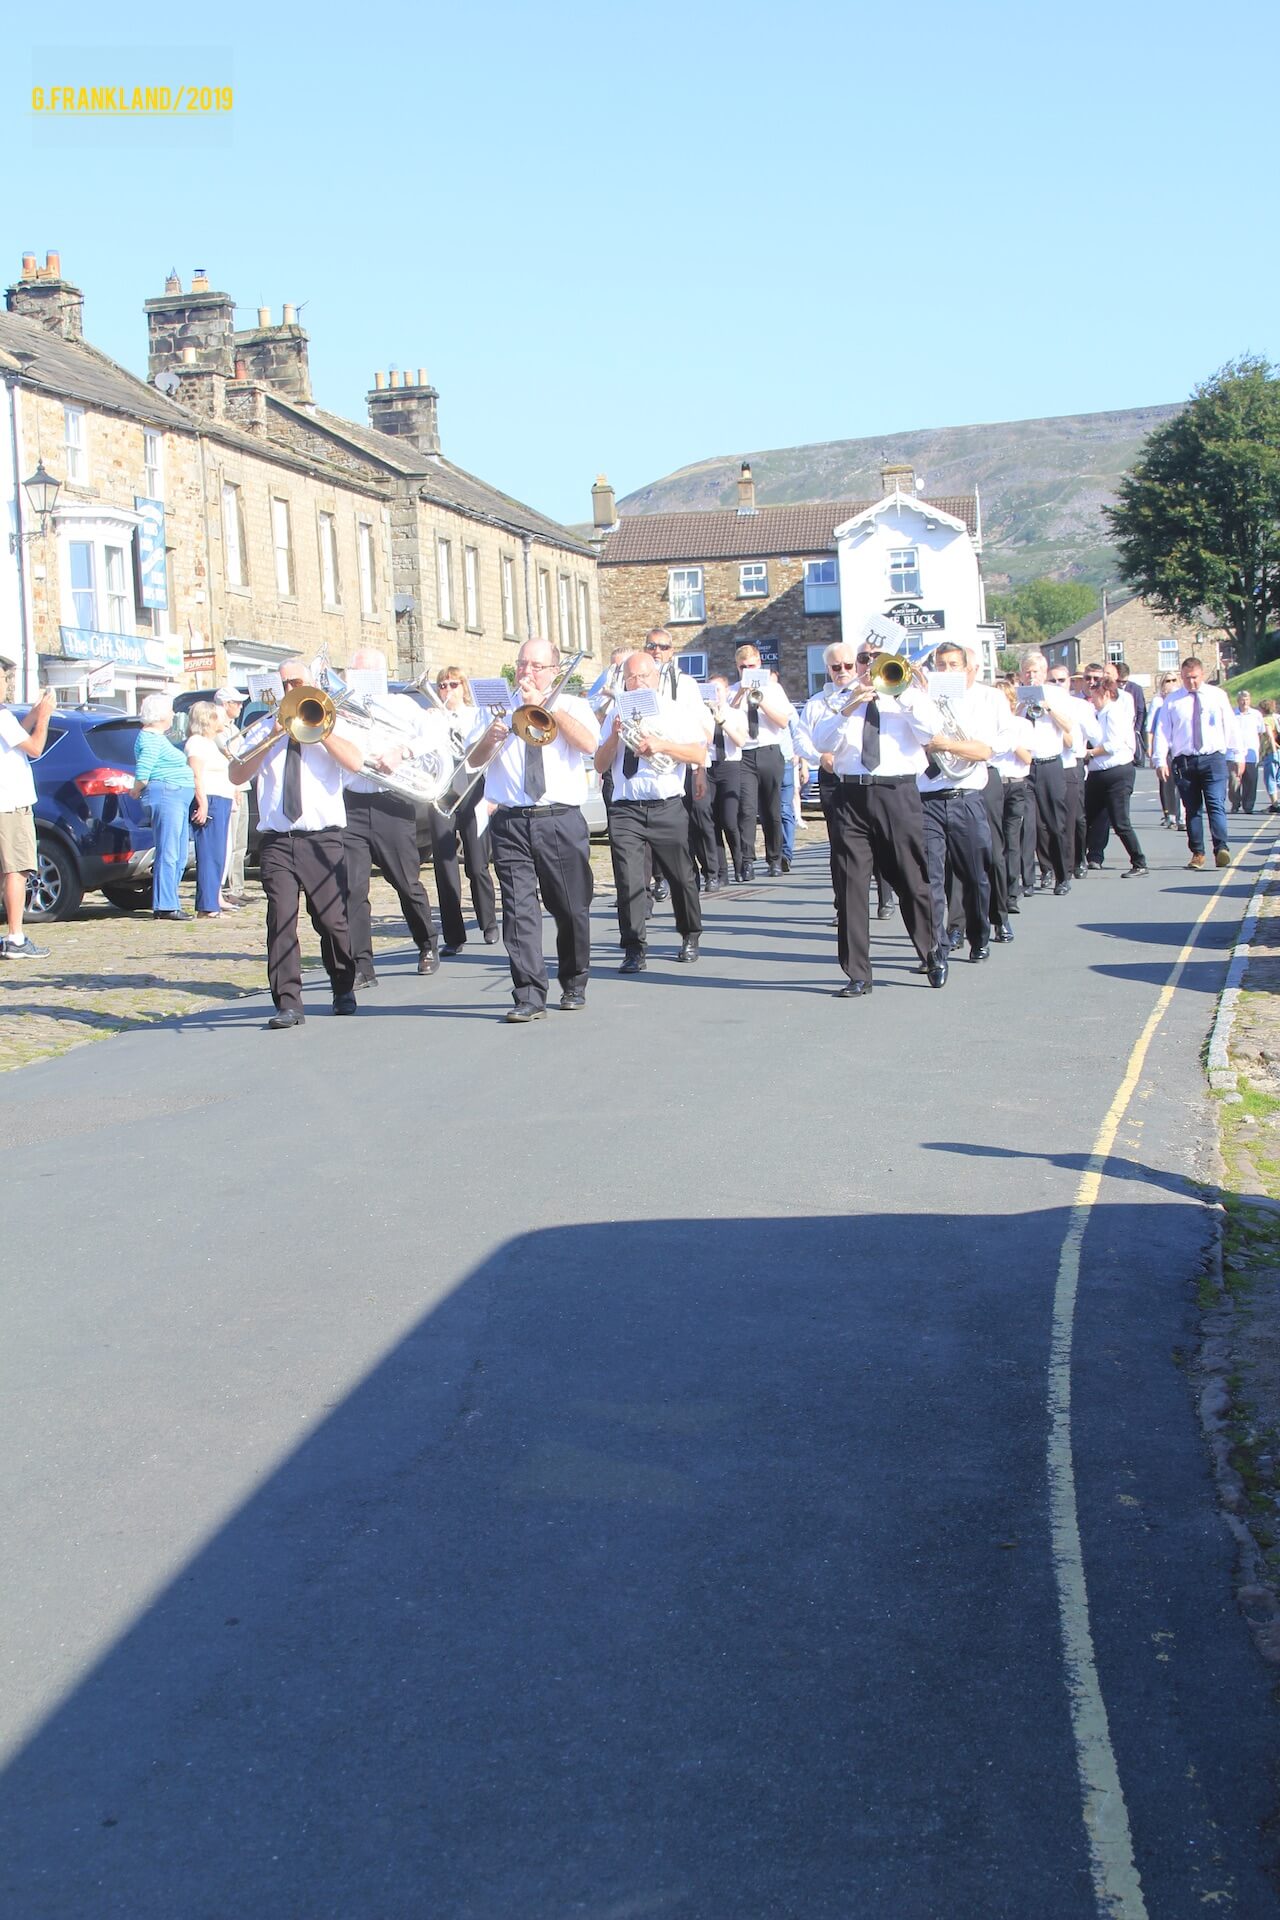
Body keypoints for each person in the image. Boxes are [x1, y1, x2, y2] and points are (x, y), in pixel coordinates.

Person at [229, 656, 365, 1028]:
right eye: (285, 683)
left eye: (297, 682)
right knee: (281, 920)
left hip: (322, 839)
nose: (290, 689)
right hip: (277, 840)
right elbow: (236, 773)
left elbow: (355, 762)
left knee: (332, 921)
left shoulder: (331, 722)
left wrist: (323, 732)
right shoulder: (264, 727)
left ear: (312, 684)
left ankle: (343, 985)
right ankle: (288, 1003)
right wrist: (272, 735)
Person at [807, 643, 947, 996]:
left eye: (876, 658)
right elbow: (821, 741)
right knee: (850, 885)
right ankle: (858, 973)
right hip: (850, 795)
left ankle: (931, 950)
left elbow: (931, 731)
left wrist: (903, 693)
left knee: (911, 878)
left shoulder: (910, 697)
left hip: (896, 793)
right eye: (864, 659)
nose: (869, 664)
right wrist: (850, 705)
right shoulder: (842, 699)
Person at [476, 637, 600, 1023]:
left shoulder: (572, 704)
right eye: (522, 664)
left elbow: (590, 744)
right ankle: (529, 994)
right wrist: (488, 739)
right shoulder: (497, 708)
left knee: (570, 907)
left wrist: (550, 708)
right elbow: (473, 761)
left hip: (559, 818)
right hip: (511, 820)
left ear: (554, 672)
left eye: (536, 665)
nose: (526, 672)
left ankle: (574, 981)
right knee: (518, 910)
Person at [595, 650, 708, 970]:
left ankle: (690, 934)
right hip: (626, 808)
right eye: (631, 677)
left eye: (643, 676)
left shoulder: (674, 710)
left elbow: (699, 754)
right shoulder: (615, 712)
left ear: (656, 679)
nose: (637, 682)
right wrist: (614, 737)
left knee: (681, 876)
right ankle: (634, 948)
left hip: (666, 805)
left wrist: (662, 746)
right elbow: (600, 764)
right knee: (628, 881)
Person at [337, 647, 442, 989]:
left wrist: (402, 751)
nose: (360, 679)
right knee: (352, 889)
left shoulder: (401, 705)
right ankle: (362, 966)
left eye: (367, 673)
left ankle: (427, 942)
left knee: (405, 882)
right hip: (351, 805)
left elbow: (436, 733)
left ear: (381, 675)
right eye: (355, 673)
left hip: (392, 803)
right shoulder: (341, 710)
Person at [917, 643, 1003, 963]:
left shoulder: (980, 703)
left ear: (966, 669)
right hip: (928, 800)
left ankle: (978, 936)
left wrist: (946, 744)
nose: (947, 670)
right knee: (930, 879)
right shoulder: (921, 701)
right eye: (941, 665)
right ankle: (936, 949)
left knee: (975, 876)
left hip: (966, 798)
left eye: (954, 665)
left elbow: (983, 751)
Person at [429, 666, 498, 955]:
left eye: (453, 684)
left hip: (472, 785)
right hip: (442, 787)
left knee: (477, 862)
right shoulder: (432, 717)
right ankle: (454, 935)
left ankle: (488, 922)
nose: (447, 690)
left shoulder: (476, 715)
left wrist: (492, 795)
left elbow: (489, 754)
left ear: (464, 687)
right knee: (444, 866)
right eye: (442, 685)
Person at [1151, 657, 1242, 870]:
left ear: (1202, 675)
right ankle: (1198, 853)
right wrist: (1160, 759)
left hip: (1213, 758)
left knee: (1216, 804)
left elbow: (1230, 725)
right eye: (1186, 678)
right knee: (1192, 809)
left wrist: (1238, 754)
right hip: (1185, 761)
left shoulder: (1217, 696)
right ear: (1181, 677)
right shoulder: (1173, 701)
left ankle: (1221, 848)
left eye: (1194, 677)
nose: (1191, 682)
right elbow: (1162, 731)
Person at [644, 629, 718, 891]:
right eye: (651, 646)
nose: (657, 651)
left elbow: (701, 728)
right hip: (653, 765)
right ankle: (663, 878)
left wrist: (700, 770)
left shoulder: (685, 683)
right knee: (659, 825)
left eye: (663, 647)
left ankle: (708, 872)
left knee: (697, 819)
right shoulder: (639, 682)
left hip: (683, 759)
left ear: (672, 651)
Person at [730, 643, 795, 878]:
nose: (748, 671)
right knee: (746, 810)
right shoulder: (732, 691)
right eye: (743, 667)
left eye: (752, 666)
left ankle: (775, 859)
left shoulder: (774, 689)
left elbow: (783, 722)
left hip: (769, 751)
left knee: (772, 809)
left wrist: (761, 700)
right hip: (745, 754)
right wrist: (741, 693)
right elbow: (727, 717)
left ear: (760, 664)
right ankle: (747, 861)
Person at [0, 685, 54, 959]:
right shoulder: (2, 716)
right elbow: (34, 748)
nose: (5, 685)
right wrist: (44, 718)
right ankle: (15, 937)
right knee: (17, 869)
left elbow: (14, 737)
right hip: (10, 803)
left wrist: (34, 713)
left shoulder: (5, 718)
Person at [131, 694, 196, 920]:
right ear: (159, 715)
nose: (173, 714)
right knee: (169, 851)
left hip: (176, 796)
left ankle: (170, 899)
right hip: (167, 795)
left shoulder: (158, 738)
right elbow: (144, 770)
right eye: (169, 710)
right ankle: (165, 905)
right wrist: (136, 788)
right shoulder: (150, 738)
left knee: (179, 853)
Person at [1017, 649, 1074, 895]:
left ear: (1044, 672)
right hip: (1027, 765)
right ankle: (1029, 880)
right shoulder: (1017, 696)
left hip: (1050, 764)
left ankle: (1062, 876)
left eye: (1035, 672)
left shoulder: (1056, 694)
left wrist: (1047, 707)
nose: (1031, 676)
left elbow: (1068, 726)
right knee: (1028, 826)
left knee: (1055, 823)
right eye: (1027, 672)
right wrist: (1020, 707)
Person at [1082, 675, 1146, 875]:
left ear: (1107, 694)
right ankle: (1077, 858)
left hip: (1117, 772)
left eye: (1096, 695)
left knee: (1120, 822)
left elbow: (1113, 744)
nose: (1093, 700)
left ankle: (1139, 862)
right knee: (1086, 818)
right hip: (1098, 773)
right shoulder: (1100, 714)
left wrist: (1090, 753)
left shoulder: (1114, 712)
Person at [991, 680, 1034, 937]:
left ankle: (1011, 893)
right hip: (994, 784)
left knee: (1012, 841)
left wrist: (1009, 740)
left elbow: (1028, 758)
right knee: (994, 843)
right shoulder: (987, 724)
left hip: (1016, 784)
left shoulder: (1021, 725)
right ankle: (997, 893)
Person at [185, 701, 235, 917]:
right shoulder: (197, 742)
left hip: (221, 799)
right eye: (218, 717)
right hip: (210, 800)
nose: (223, 721)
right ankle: (207, 906)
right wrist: (203, 803)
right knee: (209, 853)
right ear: (209, 719)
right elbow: (196, 774)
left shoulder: (212, 742)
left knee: (219, 852)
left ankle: (213, 900)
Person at [705, 675, 750, 883]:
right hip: (710, 767)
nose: (715, 694)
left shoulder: (736, 714)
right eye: (711, 690)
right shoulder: (703, 714)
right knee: (712, 822)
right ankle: (721, 871)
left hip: (730, 766)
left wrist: (721, 721)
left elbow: (740, 741)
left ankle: (740, 864)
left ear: (726, 692)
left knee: (729, 820)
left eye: (718, 690)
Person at [214, 686, 250, 906]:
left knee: (241, 842)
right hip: (231, 785)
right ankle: (229, 888)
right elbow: (229, 756)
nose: (240, 706)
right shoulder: (219, 727)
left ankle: (238, 886)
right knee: (231, 840)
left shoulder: (233, 727)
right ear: (225, 704)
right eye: (236, 702)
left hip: (241, 785)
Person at [1145, 674, 1184, 827]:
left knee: (1182, 781)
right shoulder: (1158, 702)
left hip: (1180, 747)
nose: (1171, 683)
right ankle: (1170, 813)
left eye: (1174, 680)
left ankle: (1182, 816)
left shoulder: (1182, 699)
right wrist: (1150, 748)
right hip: (1165, 748)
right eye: (1168, 681)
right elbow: (1151, 727)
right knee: (1167, 781)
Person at [1230, 691, 1265, 814]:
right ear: (1238, 701)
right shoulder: (1232, 714)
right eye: (1242, 699)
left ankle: (1248, 805)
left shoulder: (1256, 714)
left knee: (1250, 781)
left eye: (1247, 699)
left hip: (1251, 753)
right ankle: (1235, 803)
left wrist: (1259, 749)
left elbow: (1261, 732)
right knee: (1234, 781)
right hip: (1234, 753)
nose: (1245, 702)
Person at [1260, 699, 1280, 813]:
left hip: (1271, 752)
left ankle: (1275, 804)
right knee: (1278, 778)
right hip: (1279, 750)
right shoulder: (1276, 718)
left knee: (1270, 779)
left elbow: (1270, 736)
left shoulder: (1266, 720)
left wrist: (1274, 751)